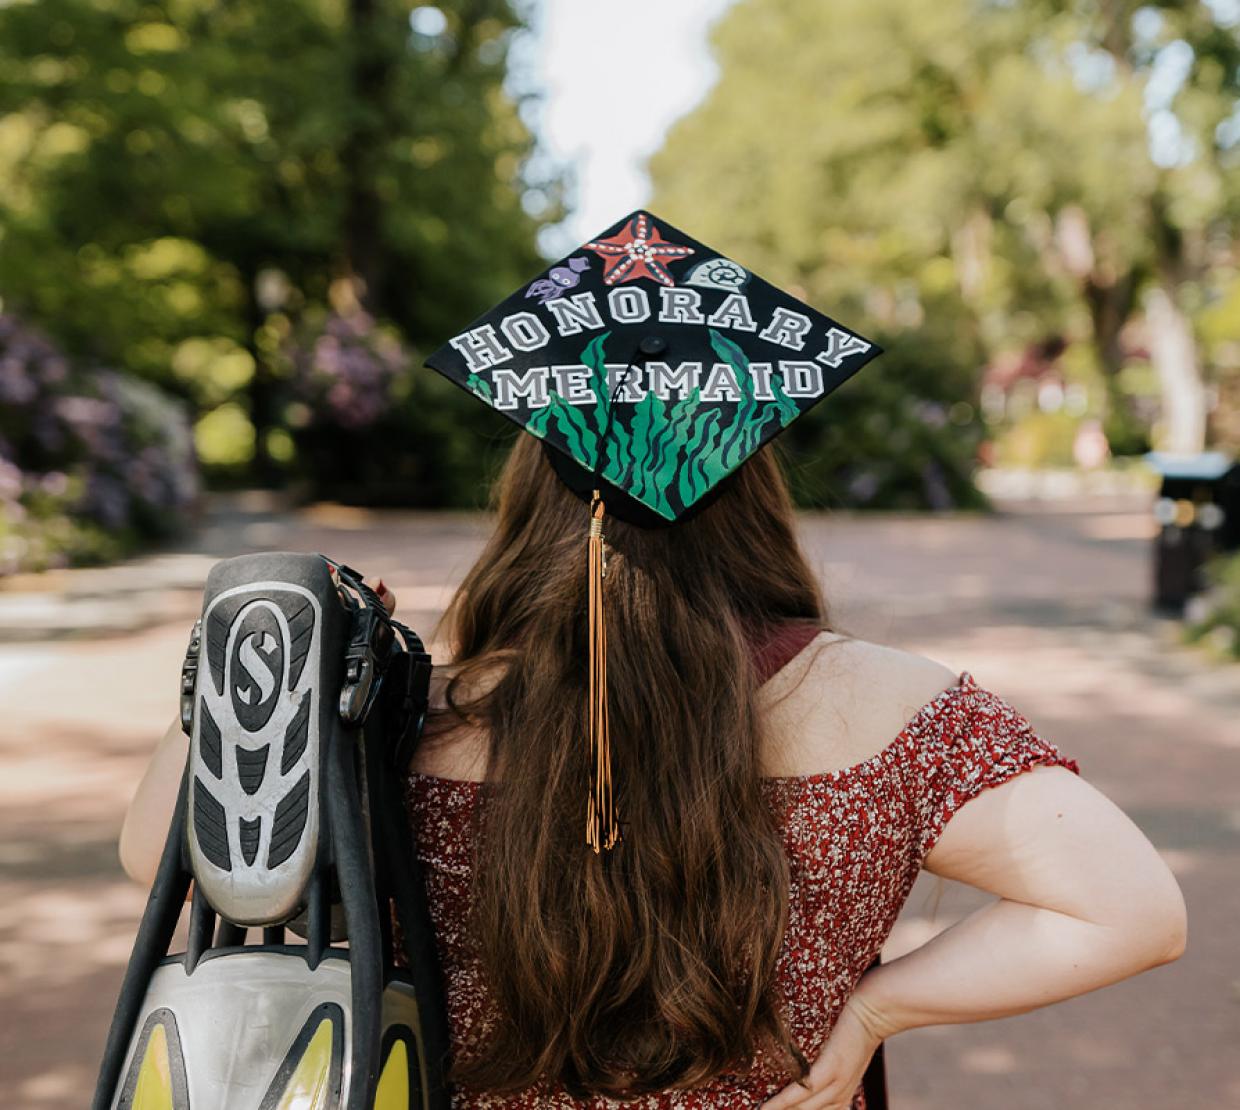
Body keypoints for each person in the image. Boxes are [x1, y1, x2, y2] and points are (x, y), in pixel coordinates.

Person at [120, 212, 1186, 1109]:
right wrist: (876, 1006)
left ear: (531, 487)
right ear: (753, 476)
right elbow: (1130, 909)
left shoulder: (407, 710)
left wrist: (261, 671)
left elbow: (158, 857)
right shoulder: (900, 709)